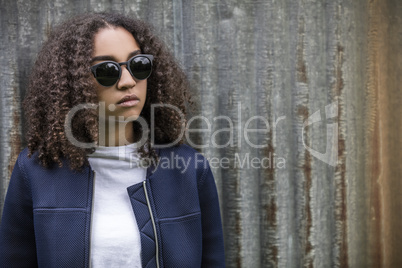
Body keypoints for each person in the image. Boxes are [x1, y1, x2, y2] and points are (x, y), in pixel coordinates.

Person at [0, 12, 225, 267]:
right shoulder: (36, 172)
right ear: (75, 83)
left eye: (138, 65)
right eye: (108, 70)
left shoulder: (190, 170)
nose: (128, 81)